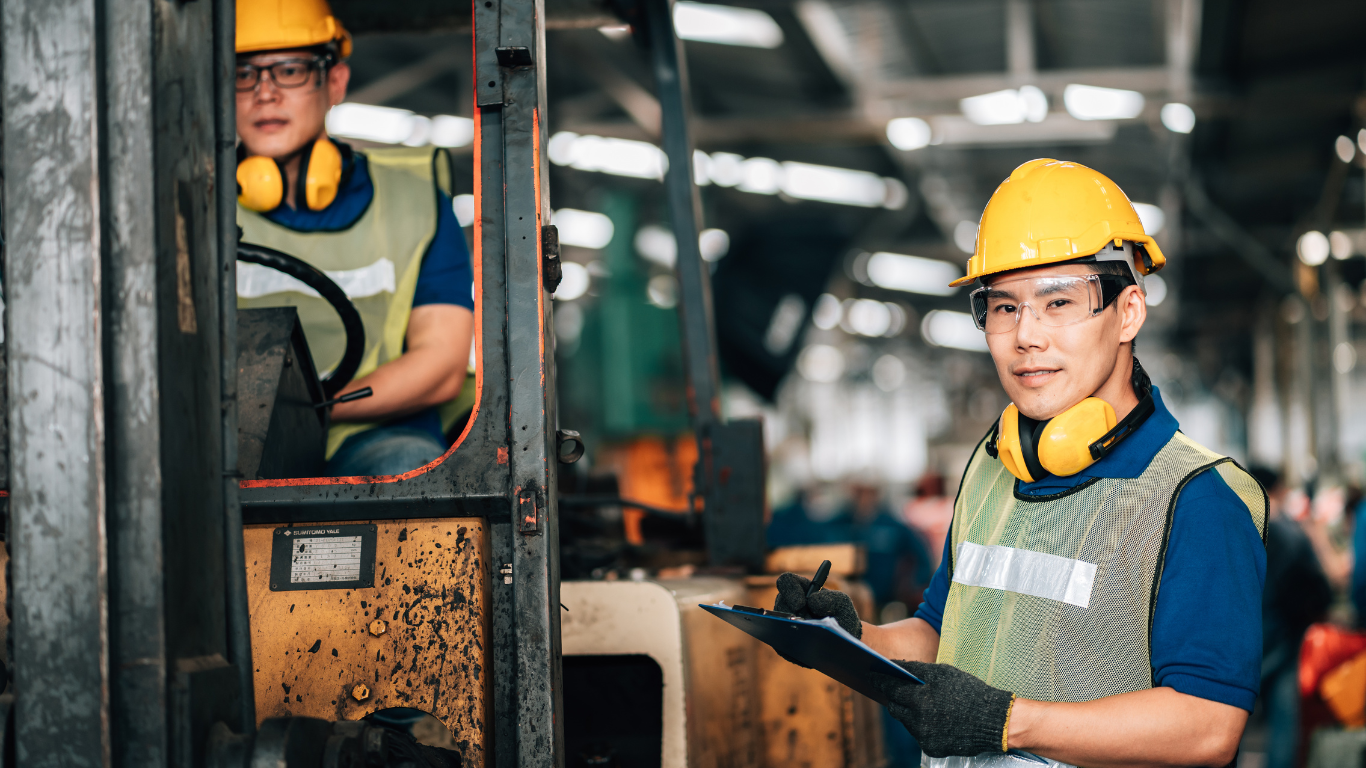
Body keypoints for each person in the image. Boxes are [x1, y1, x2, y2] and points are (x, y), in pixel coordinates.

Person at [774, 159, 1267, 767]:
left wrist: (1009, 722)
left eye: (1058, 302)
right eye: (1003, 307)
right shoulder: (991, 469)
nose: (1026, 336)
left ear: (1129, 313)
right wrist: (851, 641)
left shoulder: (1193, 496)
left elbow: (1208, 726)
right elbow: (940, 630)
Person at [235, 0, 475, 476]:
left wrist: (303, 410)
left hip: (374, 435)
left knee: (408, 467)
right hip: (235, 442)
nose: (265, 93)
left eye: (289, 70)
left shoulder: (414, 203)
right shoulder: (194, 205)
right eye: (243, 74)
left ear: (336, 83)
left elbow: (442, 362)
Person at [1250, 466, 1330, 768]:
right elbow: (1319, 589)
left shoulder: (1232, 528)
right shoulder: (1292, 533)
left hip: (1241, 644)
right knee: (1283, 730)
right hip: (1285, 643)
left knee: (1229, 725)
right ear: (1280, 488)